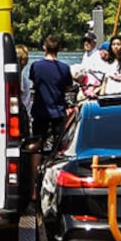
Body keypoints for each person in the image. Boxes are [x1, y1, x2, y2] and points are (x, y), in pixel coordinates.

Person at [27, 34, 72, 200]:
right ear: (59, 49)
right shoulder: (65, 68)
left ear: (44, 48)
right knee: (59, 149)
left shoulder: (36, 66)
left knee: (37, 147)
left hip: (40, 111)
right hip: (58, 112)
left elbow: (34, 83)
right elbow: (67, 88)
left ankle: (33, 189)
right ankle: (55, 186)